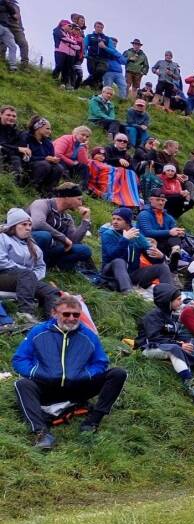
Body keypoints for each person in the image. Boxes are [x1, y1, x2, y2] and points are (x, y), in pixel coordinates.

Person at [12, 295, 127, 449]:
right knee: (21, 384)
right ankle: (41, 434)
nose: (72, 318)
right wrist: (35, 372)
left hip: (78, 387)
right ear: (54, 313)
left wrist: (86, 374)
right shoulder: (38, 332)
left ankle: (92, 423)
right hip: (46, 387)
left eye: (76, 315)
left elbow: (101, 362)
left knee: (118, 373)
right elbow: (19, 359)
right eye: (66, 314)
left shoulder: (89, 335)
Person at [0, 208, 60, 322]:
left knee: (51, 291)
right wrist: (27, 273)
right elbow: (1, 260)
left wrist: (33, 276)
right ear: (13, 225)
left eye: (30, 224)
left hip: (26, 279)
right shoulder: (2, 238)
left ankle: (52, 322)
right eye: (24, 224)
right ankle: (26, 314)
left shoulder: (32, 245)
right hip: (3, 276)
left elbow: (41, 266)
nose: (28, 228)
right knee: (26, 274)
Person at [28, 186, 94, 273]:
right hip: (28, 242)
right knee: (45, 236)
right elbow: (38, 223)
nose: (80, 204)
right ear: (67, 197)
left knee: (84, 250)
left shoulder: (67, 217)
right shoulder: (42, 204)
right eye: (79, 199)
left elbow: (74, 240)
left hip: (49, 249)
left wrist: (86, 220)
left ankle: (52, 265)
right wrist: (63, 238)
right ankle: (31, 264)